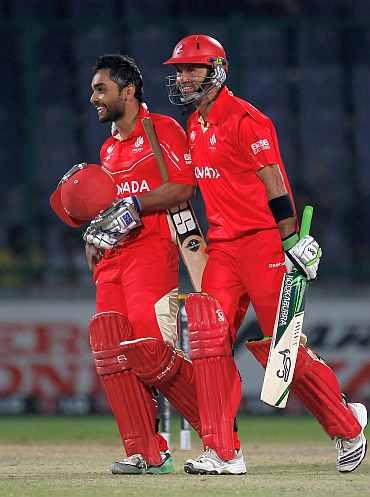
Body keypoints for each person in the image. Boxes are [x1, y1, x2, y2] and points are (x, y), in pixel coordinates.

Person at [163, 34, 368, 475]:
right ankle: (223, 451)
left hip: (263, 244)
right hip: (224, 249)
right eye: (179, 70)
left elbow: (275, 182)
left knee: (280, 349)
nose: (182, 78)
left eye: (191, 69)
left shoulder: (246, 119)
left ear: (216, 71)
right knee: (208, 341)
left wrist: (292, 241)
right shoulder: (194, 126)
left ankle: (348, 425)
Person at [50, 54, 204, 475]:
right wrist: (95, 234)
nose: (93, 97)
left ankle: (216, 420)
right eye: (92, 89)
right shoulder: (107, 148)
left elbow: (183, 188)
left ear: (128, 91)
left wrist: (133, 205)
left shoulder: (162, 129)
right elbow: (108, 207)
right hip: (113, 259)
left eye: (101, 89)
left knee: (149, 352)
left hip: (153, 252)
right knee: (109, 346)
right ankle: (146, 453)